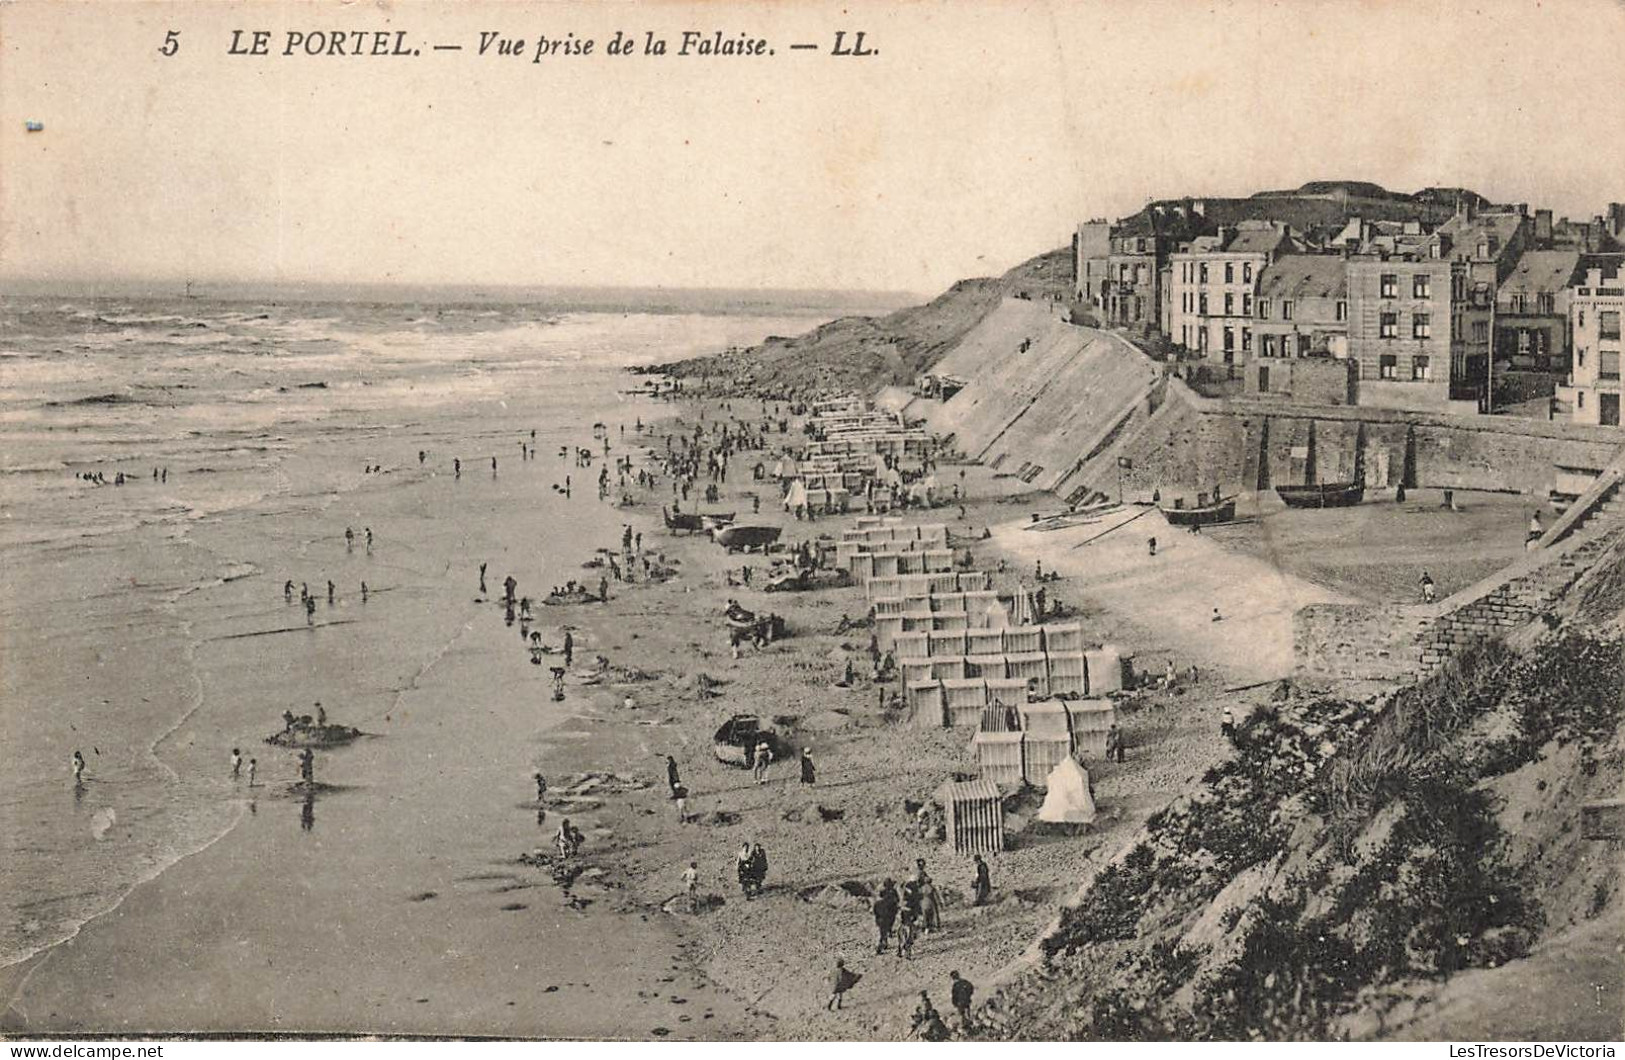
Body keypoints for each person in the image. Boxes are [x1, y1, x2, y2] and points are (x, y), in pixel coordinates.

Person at [873, 878, 899, 953]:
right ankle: (882, 944)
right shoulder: (893, 894)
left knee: (882, 931)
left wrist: (877, 920)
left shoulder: (878, 903)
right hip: (889, 916)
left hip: (881, 918)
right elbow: (897, 901)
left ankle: (884, 942)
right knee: (885, 929)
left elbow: (875, 913)